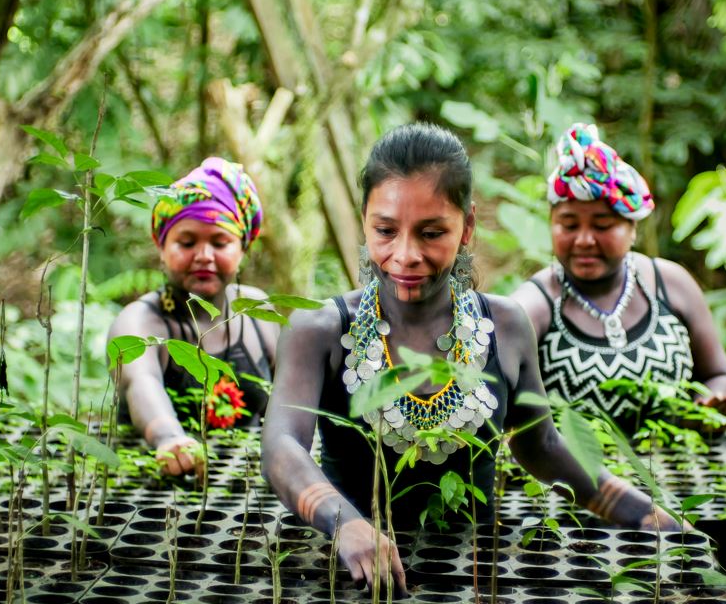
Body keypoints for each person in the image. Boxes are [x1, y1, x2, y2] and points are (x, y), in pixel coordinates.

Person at [261, 123, 679, 594]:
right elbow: (281, 445)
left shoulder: (506, 325)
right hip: (350, 577)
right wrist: (345, 523)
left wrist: (644, 512)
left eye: (431, 232)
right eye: (385, 231)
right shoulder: (320, 330)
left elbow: (541, 446)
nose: (405, 254)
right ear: (364, 221)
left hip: (476, 576)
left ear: (468, 225)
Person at [511, 123, 726, 436]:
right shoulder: (534, 304)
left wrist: (705, 410)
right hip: (572, 468)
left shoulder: (670, 284)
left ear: (632, 229)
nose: (584, 240)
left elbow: (717, 375)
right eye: (569, 225)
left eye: (602, 225)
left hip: (680, 462)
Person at [107, 157, 278, 477]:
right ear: (161, 246)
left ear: (242, 248)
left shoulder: (258, 312)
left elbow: (289, 402)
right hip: (153, 489)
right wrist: (168, 438)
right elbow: (140, 382)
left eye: (220, 242)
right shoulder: (138, 322)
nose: (204, 256)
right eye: (187, 243)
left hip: (248, 488)